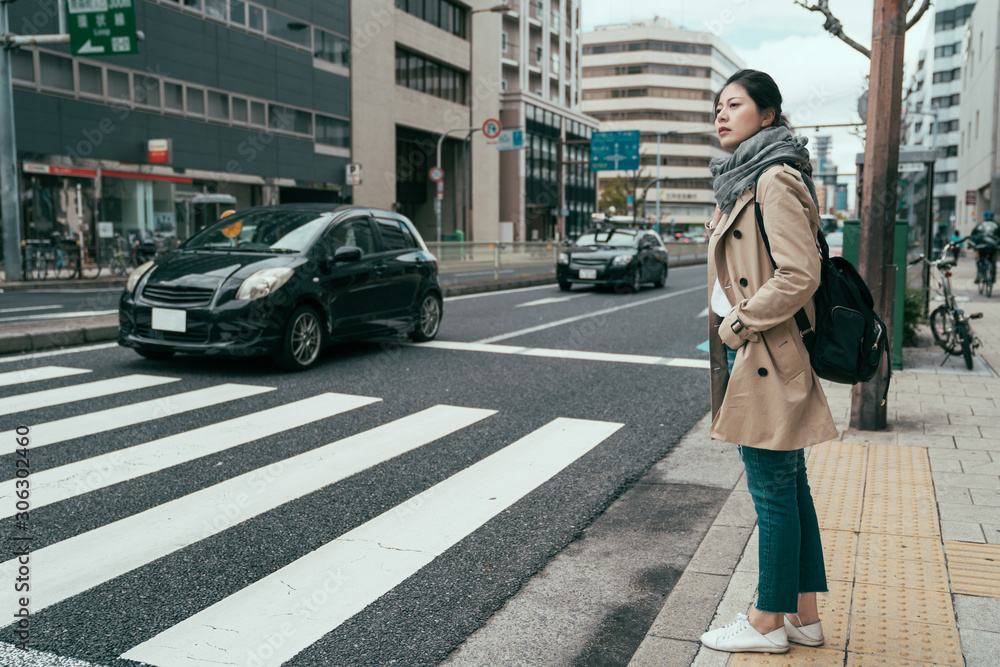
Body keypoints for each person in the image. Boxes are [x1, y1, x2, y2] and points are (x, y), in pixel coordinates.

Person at [701, 69, 838, 654]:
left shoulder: (774, 178)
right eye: (717, 108)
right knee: (790, 485)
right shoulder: (747, 178)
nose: (722, 115)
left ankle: (765, 623)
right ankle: (803, 615)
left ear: (769, 113)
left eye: (735, 104)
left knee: (773, 492)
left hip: (765, 351)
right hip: (764, 350)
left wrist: (738, 323)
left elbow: (800, 273)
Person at [969, 211, 1000, 283]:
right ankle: (993, 277)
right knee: (993, 261)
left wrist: (971, 244)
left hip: (982, 247)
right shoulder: (997, 225)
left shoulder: (980, 225)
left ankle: (979, 275)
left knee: (980, 260)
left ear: (984, 217)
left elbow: (973, 235)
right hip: (993, 247)